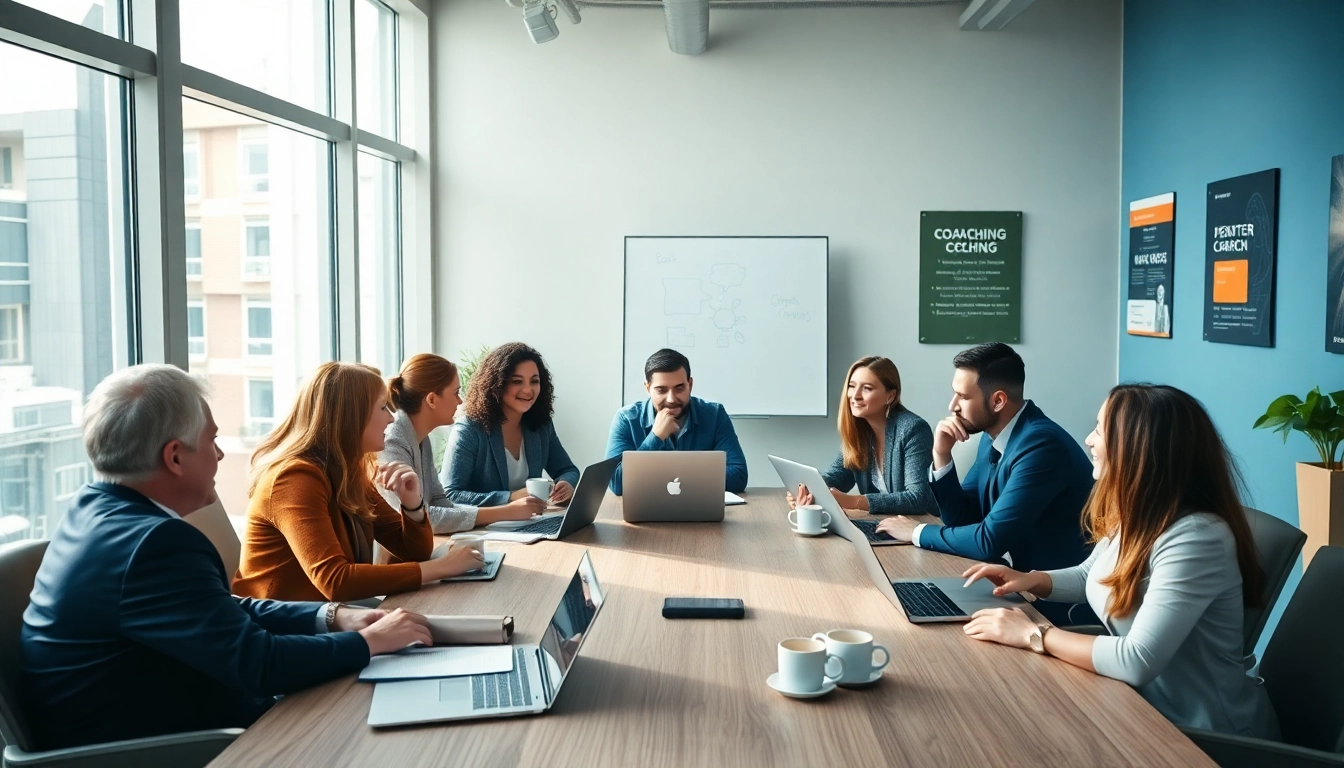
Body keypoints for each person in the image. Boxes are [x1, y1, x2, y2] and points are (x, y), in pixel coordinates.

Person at [20, 365, 432, 750]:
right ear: (175, 457)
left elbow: (219, 609)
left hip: (156, 724)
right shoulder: (157, 543)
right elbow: (259, 664)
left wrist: (332, 617)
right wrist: (366, 642)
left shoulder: (93, 509)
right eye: (212, 441)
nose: (219, 456)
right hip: (168, 746)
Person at [961, 384, 1280, 738]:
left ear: (1139, 448)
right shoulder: (1139, 514)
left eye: (1099, 429)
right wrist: (1030, 579)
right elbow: (1090, 575)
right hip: (1139, 710)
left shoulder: (1197, 537)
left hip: (1206, 735)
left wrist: (1033, 635)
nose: (1088, 439)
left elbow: (1137, 659)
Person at [874, 342, 1094, 625]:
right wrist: (941, 455)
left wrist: (915, 531)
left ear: (998, 401)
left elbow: (988, 541)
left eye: (962, 396)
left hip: (1062, 607)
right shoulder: (995, 437)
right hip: (1024, 591)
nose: (952, 406)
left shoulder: (1040, 445)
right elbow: (964, 519)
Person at [234, 362, 483, 603]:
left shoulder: (349, 474)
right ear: (351, 417)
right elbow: (335, 580)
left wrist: (412, 505)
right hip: (282, 628)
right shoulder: (294, 479)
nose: (391, 419)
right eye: (382, 408)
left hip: (328, 614)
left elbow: (414, 552)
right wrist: (441, 568)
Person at [382, 353, 545, 533]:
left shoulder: (420, 438)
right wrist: (505, 511)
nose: (460, 401)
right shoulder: (393, 441)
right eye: (456, 393)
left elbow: (440, 502)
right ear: (431, 400)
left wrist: (508, 511)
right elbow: (419, 517)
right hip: (397, 558)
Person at [787, 356, 936, 516]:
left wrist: (852, 502)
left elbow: (918, 498)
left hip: (922, 525)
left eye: (867, 388)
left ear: (890, 396)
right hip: (883, 523)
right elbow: (838, 476)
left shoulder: (913, 429)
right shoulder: (860, 430)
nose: (855, 395)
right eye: (851, 386)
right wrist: (809, 490)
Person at [441, 343, 580, 507]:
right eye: (517, 381)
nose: (528, 390)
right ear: (496, 384)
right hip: (482, 528)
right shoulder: (469, 429)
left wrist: (566, 484)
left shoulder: (541, 425)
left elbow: (568, 470)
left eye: (534, 381)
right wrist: (511, 497)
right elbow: (450, 495)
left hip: (529, 523)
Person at [605, 348, 747, 495]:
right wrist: (655, 438)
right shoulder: (626, 419)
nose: (671, 399)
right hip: (648, 512)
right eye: (661, 390)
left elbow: (738, 475)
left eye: (679, 388)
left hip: (700, 511)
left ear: (690, 385)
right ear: (648, 388)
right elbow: (616, 483)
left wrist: (667, 478)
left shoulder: (715, 414)